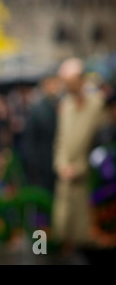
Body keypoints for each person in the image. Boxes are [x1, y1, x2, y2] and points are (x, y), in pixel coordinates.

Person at [51, 57, 106, 256]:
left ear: (80, 79)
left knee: (92, 240)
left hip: (90, 184)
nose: (66, 87)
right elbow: (61, 140)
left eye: (69, 82)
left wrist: (80, 168)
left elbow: (101, 146)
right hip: (67, 181)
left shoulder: (98, 104)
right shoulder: (66, 105)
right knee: (68, 235)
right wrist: (61, 165)